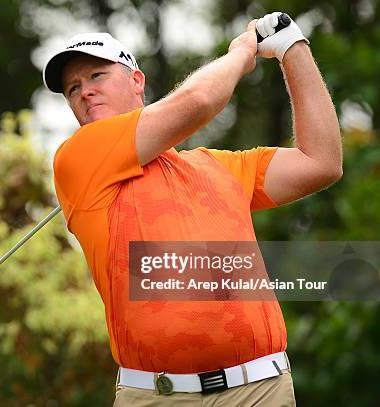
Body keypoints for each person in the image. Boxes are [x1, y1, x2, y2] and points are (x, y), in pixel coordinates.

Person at [42, 11, 342, 406]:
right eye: (72, 88)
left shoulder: (219, 166)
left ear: (137, 81)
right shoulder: (77, 160)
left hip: (260, 391)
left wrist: (292, 47)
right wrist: (241, 52)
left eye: (96, 76)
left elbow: (321, 162)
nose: (84, 92)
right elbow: (198, 100)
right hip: (157, 396)